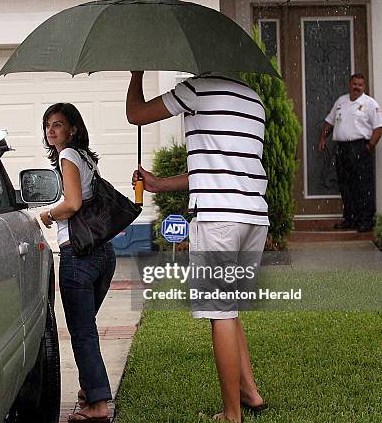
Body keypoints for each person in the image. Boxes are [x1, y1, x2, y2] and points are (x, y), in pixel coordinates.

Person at [126, 72, 268, 423]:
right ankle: (250, 393)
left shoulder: (196, 89)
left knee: (218, 312)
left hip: (219, 218)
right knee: (228, 308)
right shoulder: (253, 99)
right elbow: (219, 168)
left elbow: (136, 114)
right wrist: (159, 185)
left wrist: (136, 75)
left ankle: (232, 414)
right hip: (254, 218)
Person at [39, 103, 115, 423]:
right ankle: (90, 388)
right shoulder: (86, 158)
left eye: (58, 124)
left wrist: (46, 214)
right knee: (86, 329)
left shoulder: (69, 156)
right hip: (103, 254)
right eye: (47, 125)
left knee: (82, 332)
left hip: (78, 256)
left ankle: (97, 405)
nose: (51, 130)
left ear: (72, 129)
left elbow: (72, 203)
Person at [318, 74, 382, 232]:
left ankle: (366, 220)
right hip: (342, 148)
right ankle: (350, 219)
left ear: (364, 87)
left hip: (360, 147)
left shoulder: (370, 104)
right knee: (345, 185)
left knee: (362, 185)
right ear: (349, 84)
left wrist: (369, 147)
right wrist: (322, 138)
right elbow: (329, 121)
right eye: (354, 84)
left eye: (360, 84)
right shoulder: (341, 101)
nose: (357, 87)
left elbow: (378, 127)